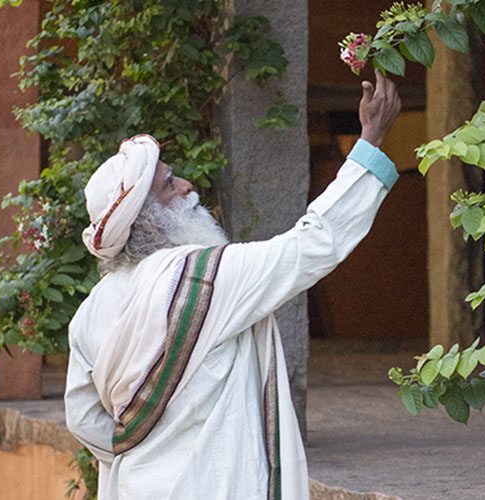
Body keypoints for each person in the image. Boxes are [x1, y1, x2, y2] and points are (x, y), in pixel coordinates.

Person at [64, 71, 401, 500]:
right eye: (169, 184)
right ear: (146, 217)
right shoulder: (209, 276)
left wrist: (150, 452)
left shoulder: (91, 311)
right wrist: (369, 141)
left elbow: (83, 419)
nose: (187, 185)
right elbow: (312, 243)